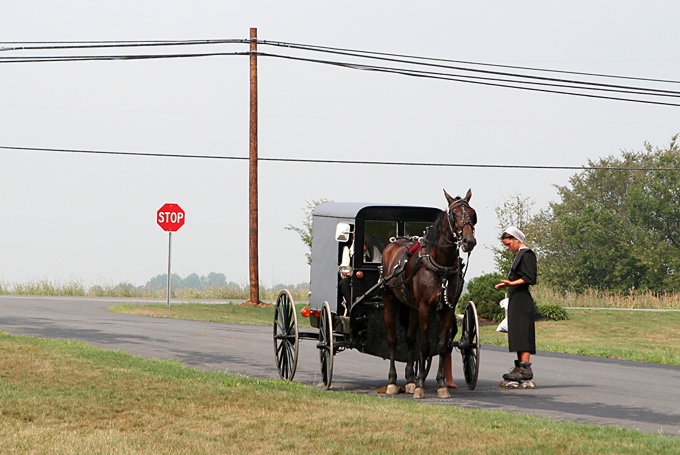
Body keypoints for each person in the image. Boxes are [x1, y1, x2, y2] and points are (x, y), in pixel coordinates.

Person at [494, 226, 538, 389]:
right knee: (517, 333)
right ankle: (520, 366)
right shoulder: (519, 255)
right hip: (515, 298)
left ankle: (525, 368)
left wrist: (511, 283)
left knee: (523, 333)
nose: (507, 248)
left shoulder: (527, 254)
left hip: (522, 299)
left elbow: (530, 277)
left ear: (516, 240)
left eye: (508, 244)